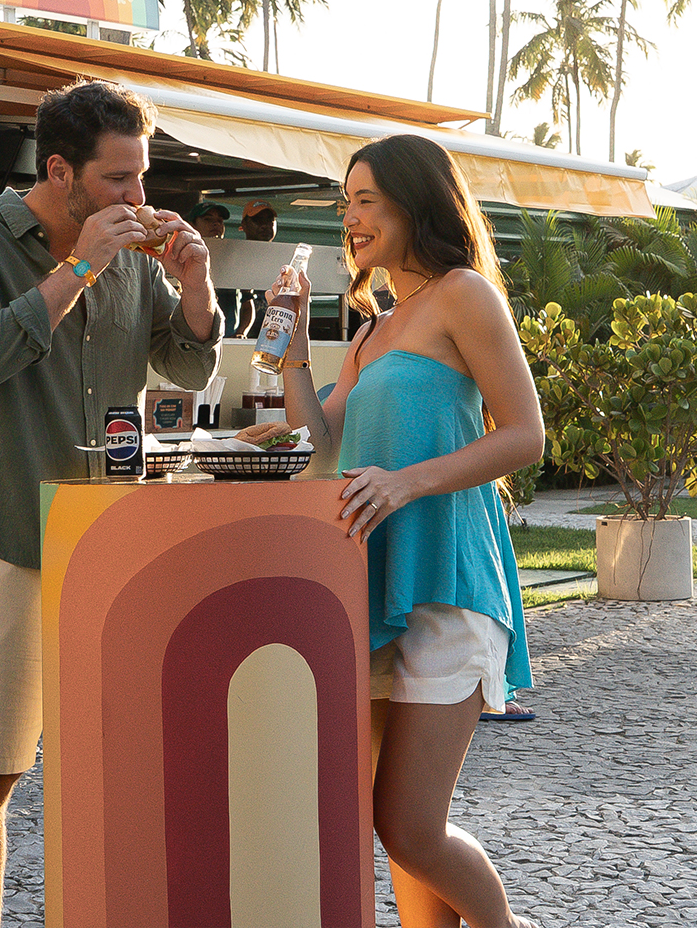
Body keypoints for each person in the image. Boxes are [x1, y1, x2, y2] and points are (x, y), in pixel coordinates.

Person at [0, 80, 222, 928]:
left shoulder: (133, 258)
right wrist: (79, 267)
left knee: (123, 776)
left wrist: (196, 283)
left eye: (143, 176)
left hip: (117, 555)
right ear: (60, 172)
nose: (140, 197)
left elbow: (188, 365)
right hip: (14, 541)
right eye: (119, 180)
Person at [277, 133, 544, 928]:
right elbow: (317, 447)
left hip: (451, 581)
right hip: (373, 590)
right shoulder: (369, 333)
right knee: (389, 831)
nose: (349, 220)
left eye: (365, 201)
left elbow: (525, 434)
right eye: (344, 204)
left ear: (412, 203)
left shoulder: (465, 295)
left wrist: (406, 482)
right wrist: (293, 350)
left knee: (408, 825)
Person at [186, 199, 238, 335]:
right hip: (198, 338)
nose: (216, 224)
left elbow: (247, 300)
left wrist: (242, 332)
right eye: (208, 219)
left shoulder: (232, 258)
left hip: (231, 339)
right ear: (192, 225)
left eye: (220, 221)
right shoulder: (183, 258)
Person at [236, 198, 277, 337]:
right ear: (244, 225)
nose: (265, 226)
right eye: (258, 220)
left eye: (269, 221)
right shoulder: (234, 259)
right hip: (238, 340)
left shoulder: (283, 261)